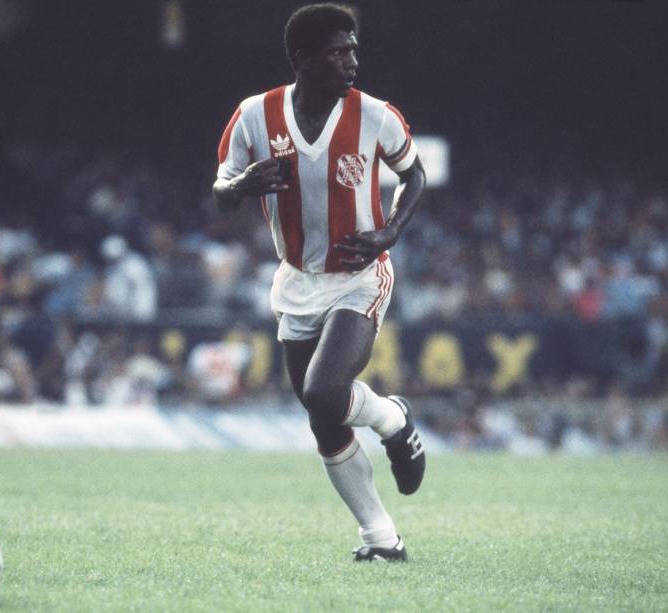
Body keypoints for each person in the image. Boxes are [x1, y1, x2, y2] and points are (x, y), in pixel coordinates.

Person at [212, 3, 427, 562]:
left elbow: (414, 174)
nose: (352, 61)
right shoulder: (255, 116)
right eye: (338, 51)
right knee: (322, 420)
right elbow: (219, 192)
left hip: (359, 274)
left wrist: (390, 231)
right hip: (296, 279)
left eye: (353, 48)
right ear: (303, 58)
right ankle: (381, 539)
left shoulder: (376, 115)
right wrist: (242, 184)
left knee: (324, 393)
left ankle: (392, 418)